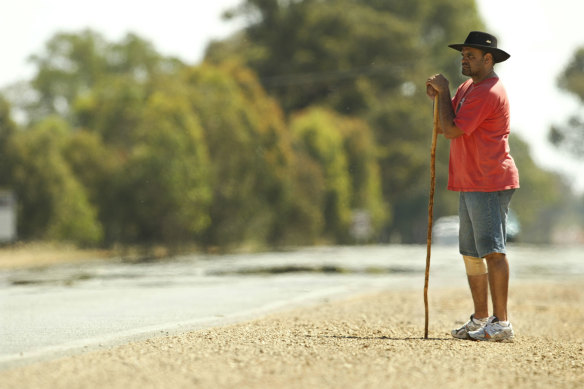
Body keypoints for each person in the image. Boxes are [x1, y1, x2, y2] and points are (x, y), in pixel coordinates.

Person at [425, 31, 519, 342]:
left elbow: (451, 130)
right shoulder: (469, 87)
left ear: (488, 59)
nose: (464, 60)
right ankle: (481, 318)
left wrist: (444, 90)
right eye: (463, 55)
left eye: (471, 55)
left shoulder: (488, 91)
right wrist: (441, 97)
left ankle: (502, 323)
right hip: (470, 180)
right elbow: (445, 121)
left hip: (490, 179)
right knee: (470, 252)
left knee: (493, 250)